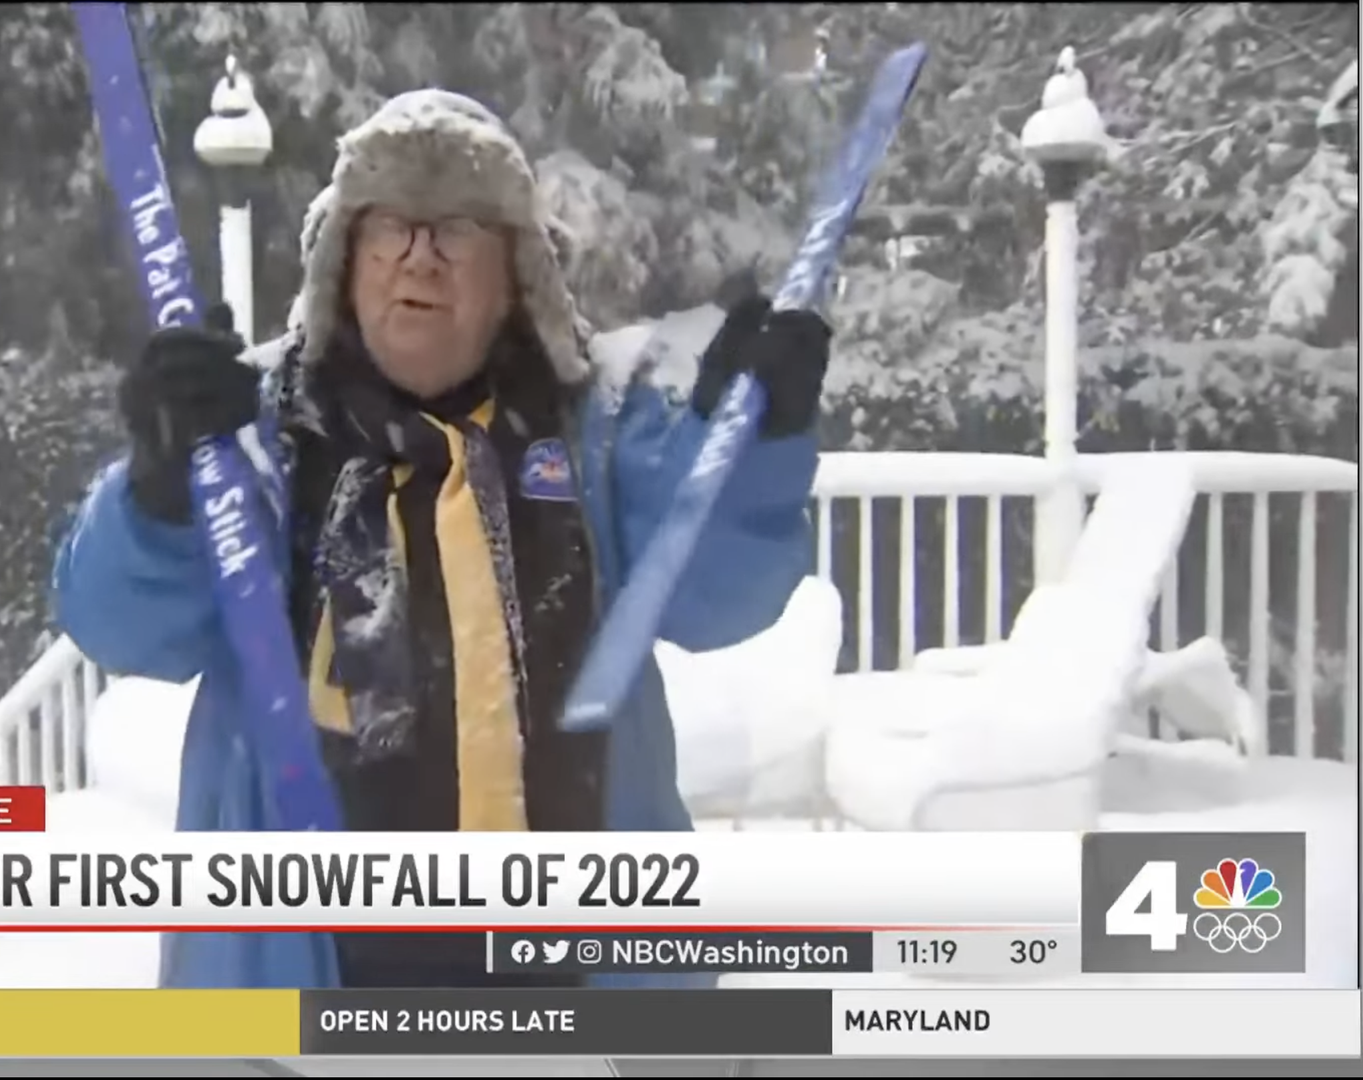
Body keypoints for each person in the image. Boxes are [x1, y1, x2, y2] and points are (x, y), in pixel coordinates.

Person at [54, 90, 830, 990]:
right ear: (345, 263)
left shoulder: (603, 430)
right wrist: (160, 490)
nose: (418, 255)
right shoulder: (254, 430)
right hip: (302, 992)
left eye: (457, 227)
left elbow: (722, 597)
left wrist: (754, 445)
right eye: (389, 225)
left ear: (516, 276)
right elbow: (113, 624)